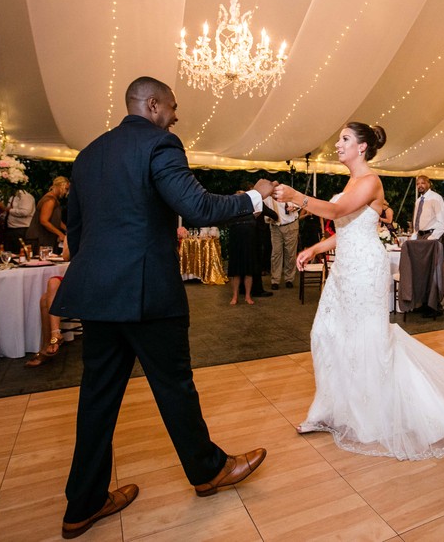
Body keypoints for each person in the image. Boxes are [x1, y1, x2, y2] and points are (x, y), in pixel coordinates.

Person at [49, 77, 272, 537]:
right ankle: (209, 471)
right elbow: (196, 208)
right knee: (174, 387)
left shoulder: (89, 154)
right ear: (152, 105)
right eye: (172, 107)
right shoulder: (160, 143)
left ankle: (82, 505)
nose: (176, 115)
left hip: (98, 293)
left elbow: (76, 231)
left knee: (96, 398)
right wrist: (256, 196)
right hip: (147, 292)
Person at [272, 122, 444, 459]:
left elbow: (335, 212)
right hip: (345, 271)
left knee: (368, 343)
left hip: (366, 271)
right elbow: (348, 228)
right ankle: (330, 411)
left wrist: (296, 197)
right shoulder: (351, 182)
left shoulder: (371, 181)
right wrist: (318, 248)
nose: (338, 145)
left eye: (345, 139)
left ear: (362, 147)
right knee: (326, 334)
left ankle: (368, 416)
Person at [25, 241, 71, 368]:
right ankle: (55, 335)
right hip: (72, 274)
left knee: (47, 296)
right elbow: (66, 255)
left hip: (85, 277)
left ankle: (47, 346)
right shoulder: (76, 227)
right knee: (51, 288)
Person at [26, 176, 69, 253]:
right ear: (60, 186)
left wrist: (66, 229)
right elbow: (44, 221)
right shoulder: (50, 200)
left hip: (45, 237)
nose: (66, 192)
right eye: (66, 189)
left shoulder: (54, 199)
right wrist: (60, 234)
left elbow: (55, 219)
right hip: (40, 237)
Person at [264, 196, 299, 290]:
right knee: (276, 254)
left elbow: (299, 203)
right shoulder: (266, 198)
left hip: (290, 225)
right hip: (275, 227)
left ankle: (289, 279)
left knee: (290, 253)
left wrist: (294, 207)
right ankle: (275, 280)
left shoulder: (286, 193)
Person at [412, 175, 444, 240]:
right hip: (419, 236)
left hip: (431, 235)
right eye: (418, 184)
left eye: (423, 183)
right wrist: (415, 234)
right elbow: (416, 220)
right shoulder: (418, 201)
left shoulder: (436, 198)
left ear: (429, 184)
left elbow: (442, 221)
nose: (420, 186)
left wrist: (433, 237)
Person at [4, 188, 36, 253]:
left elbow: (25, 212)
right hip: (11, 229)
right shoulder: (13, 197)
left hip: (22, 230)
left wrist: (10, 210)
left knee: (20, 253)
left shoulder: (25, 197)